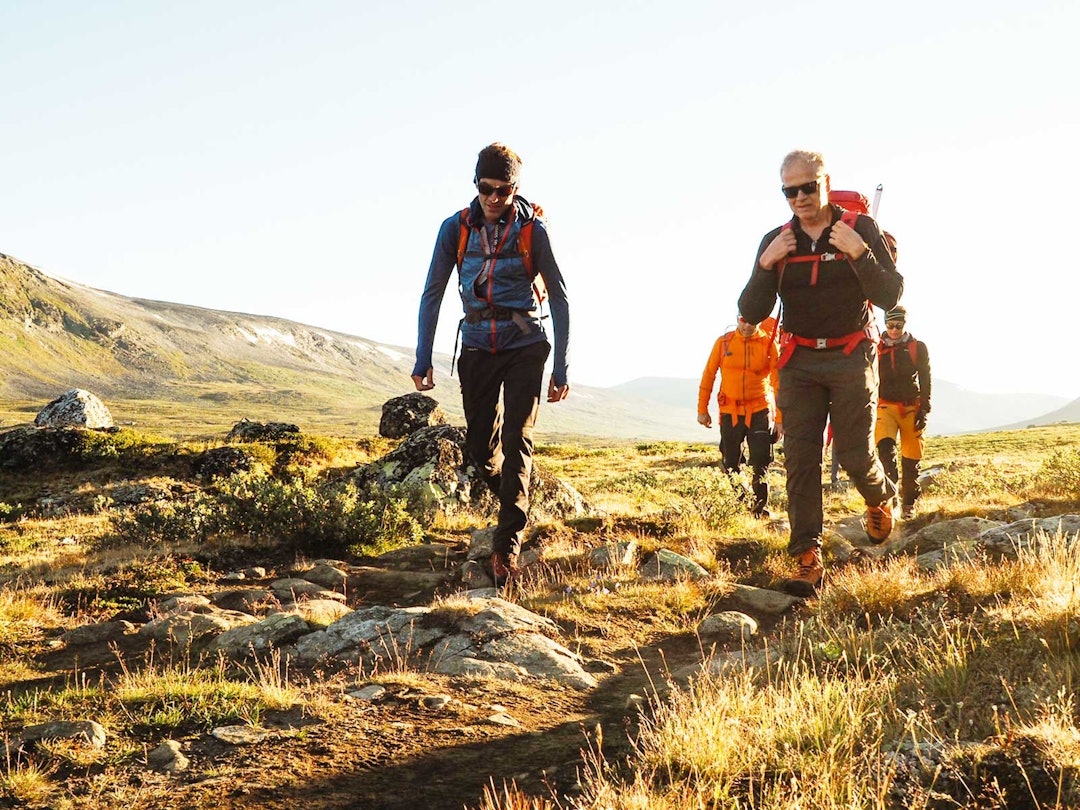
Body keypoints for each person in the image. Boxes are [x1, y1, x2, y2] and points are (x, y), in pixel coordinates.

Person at [738, 150, 902, 596]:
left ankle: (879, 496)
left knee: (854, 454)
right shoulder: (776, 240)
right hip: (799, 362)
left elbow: (890, 295)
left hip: (851, 356)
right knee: (801, 460)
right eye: (790, 191)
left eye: (808, 187)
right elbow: (751, 310)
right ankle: (806, 557)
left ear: (825, 183)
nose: (800, 198)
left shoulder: (859, 229)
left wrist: (860, 254)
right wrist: (766, 265)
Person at [411, 143, 570, 586]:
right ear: (476, 184)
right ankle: (514, 500)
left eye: (503, 190)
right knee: (481, 451)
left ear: (515, 189)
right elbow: (432, 293)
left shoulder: (533, 231)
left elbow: (559, 296)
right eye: (487, 188)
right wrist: (423, 356)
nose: (494, 198)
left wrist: (561, 366)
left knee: (519, 439)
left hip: (525, 345)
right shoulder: (455, 229)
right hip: (478, 346)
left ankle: (506, 549)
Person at [697, 315, 780, 517]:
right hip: (730, 411)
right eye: (744, 320)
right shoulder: (723, 343)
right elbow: (709, 374)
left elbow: (779, 384)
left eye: (753, 321)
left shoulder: (769, 344)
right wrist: (702, 409)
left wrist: (780, 419)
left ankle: (759, 509)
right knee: (731, 462)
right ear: (737, 318)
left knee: (760, 461)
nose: (748, 325)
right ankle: (742, 503)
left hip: (759, 410)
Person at [876, 305, 931, 520]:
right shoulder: (874, 347)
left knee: (911, 460)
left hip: (911, 407)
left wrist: (924, 408)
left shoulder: (918, 347)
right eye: (890, 325)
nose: (894, 330)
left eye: (898, 325)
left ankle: (908, 505)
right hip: (884, 406)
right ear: (885, 323)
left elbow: (925, 377)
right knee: (885, 453)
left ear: (905, 324)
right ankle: (891, 500)